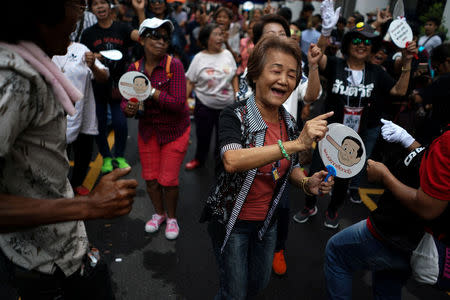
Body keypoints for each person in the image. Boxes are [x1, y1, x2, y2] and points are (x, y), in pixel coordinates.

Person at [0, 0, 137, 299]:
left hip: (65, 252)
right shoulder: (14, 80)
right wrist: (86, 206)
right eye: (75, 4)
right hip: (42, 268)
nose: (79, 16)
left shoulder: (34, 67)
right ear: (41, 13)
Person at [202, 35, 334, 299]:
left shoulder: (288, 121)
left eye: (292, 74)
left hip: (267, 223)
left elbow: (291, 169)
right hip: (233, 222)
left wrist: (308, 183)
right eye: (276, 71)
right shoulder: (234, 115)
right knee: (234, 292)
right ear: (255, 74)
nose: (284, 80)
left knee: (258, 284)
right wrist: (296, 144)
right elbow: (232, 160)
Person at [293, 0, 417, 228]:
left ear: (372, 48)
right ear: (349, 44)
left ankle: (332, 210)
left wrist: (407, 61)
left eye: (367, 43)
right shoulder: (335, 64)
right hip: (327, 133)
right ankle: (309, 205)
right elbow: (317, 56)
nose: (362, 45)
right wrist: (326, 32)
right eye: (357, 41)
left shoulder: (376, 72)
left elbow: (399, 91)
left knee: (344, 177)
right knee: (316, 170)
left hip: (355, 137)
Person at [324, 118, 449, 300]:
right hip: (407, 239)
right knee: (387, 283)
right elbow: (436, 173)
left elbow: (428, 206)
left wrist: (384, 176)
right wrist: (409, 142)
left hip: (393, 232)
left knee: (336, 252)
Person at [122, 18, 190, 240]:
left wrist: (150, 91)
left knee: (167, 180)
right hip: (148, 131)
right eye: (155, 36)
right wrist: (130, 108)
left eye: (165, 38)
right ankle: (158, 214)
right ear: (142, 40)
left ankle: (172, 218)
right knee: (150, 180)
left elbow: (178, 103)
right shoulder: (133, 69)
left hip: (175, 131)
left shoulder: (174, 66)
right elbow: (126, 104)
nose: (162, 41)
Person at [80, 0, 140, 173]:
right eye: (95, 4)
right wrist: (92, 57)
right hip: (97, 84)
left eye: (103, 3)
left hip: (119, 84)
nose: (99, 7)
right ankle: (106, 157)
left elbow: (140, 36)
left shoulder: (122, 28)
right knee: (99, 123)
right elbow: (85, 58)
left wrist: (140, 13)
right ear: (91, 9)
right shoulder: (88, 34)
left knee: (120, 122)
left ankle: (119, 156)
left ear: (109, 6)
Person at [52, 42, 109, 195]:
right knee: (56, 156)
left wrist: (93, 66)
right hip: (53, 115)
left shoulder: (81, 49)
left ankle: (76, 184)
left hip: (82, 113)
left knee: (83, 152)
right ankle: (57, 190)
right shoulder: (43, 49)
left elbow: (104, 76)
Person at [184, 23, 239, 170]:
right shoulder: (198, 58)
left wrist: (237, 94)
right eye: (216, 34)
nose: (220, 37)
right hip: (204, 106)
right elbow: (190, 81)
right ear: (206, 38)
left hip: (227, 107)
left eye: (221, 34)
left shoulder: (227, 54)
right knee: (203, 137)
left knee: (222, 140)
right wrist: (183, 102)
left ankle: (220, 164)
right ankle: (199, 159)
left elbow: (234, 76)